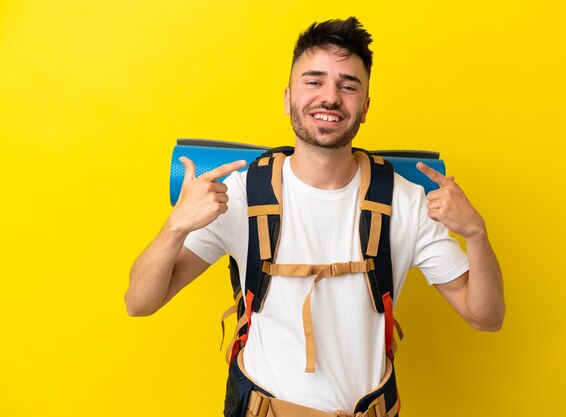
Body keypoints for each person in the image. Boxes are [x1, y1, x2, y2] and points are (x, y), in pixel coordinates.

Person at [125, 17, 504, 416]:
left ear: (365, 107)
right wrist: (175, 227)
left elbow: (486, 316)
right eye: (314, 81)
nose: (330, 97)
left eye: (348, 85)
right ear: (288, 98)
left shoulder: (406, 201)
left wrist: (476, 234)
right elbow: (140, 302)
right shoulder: (240, 195)